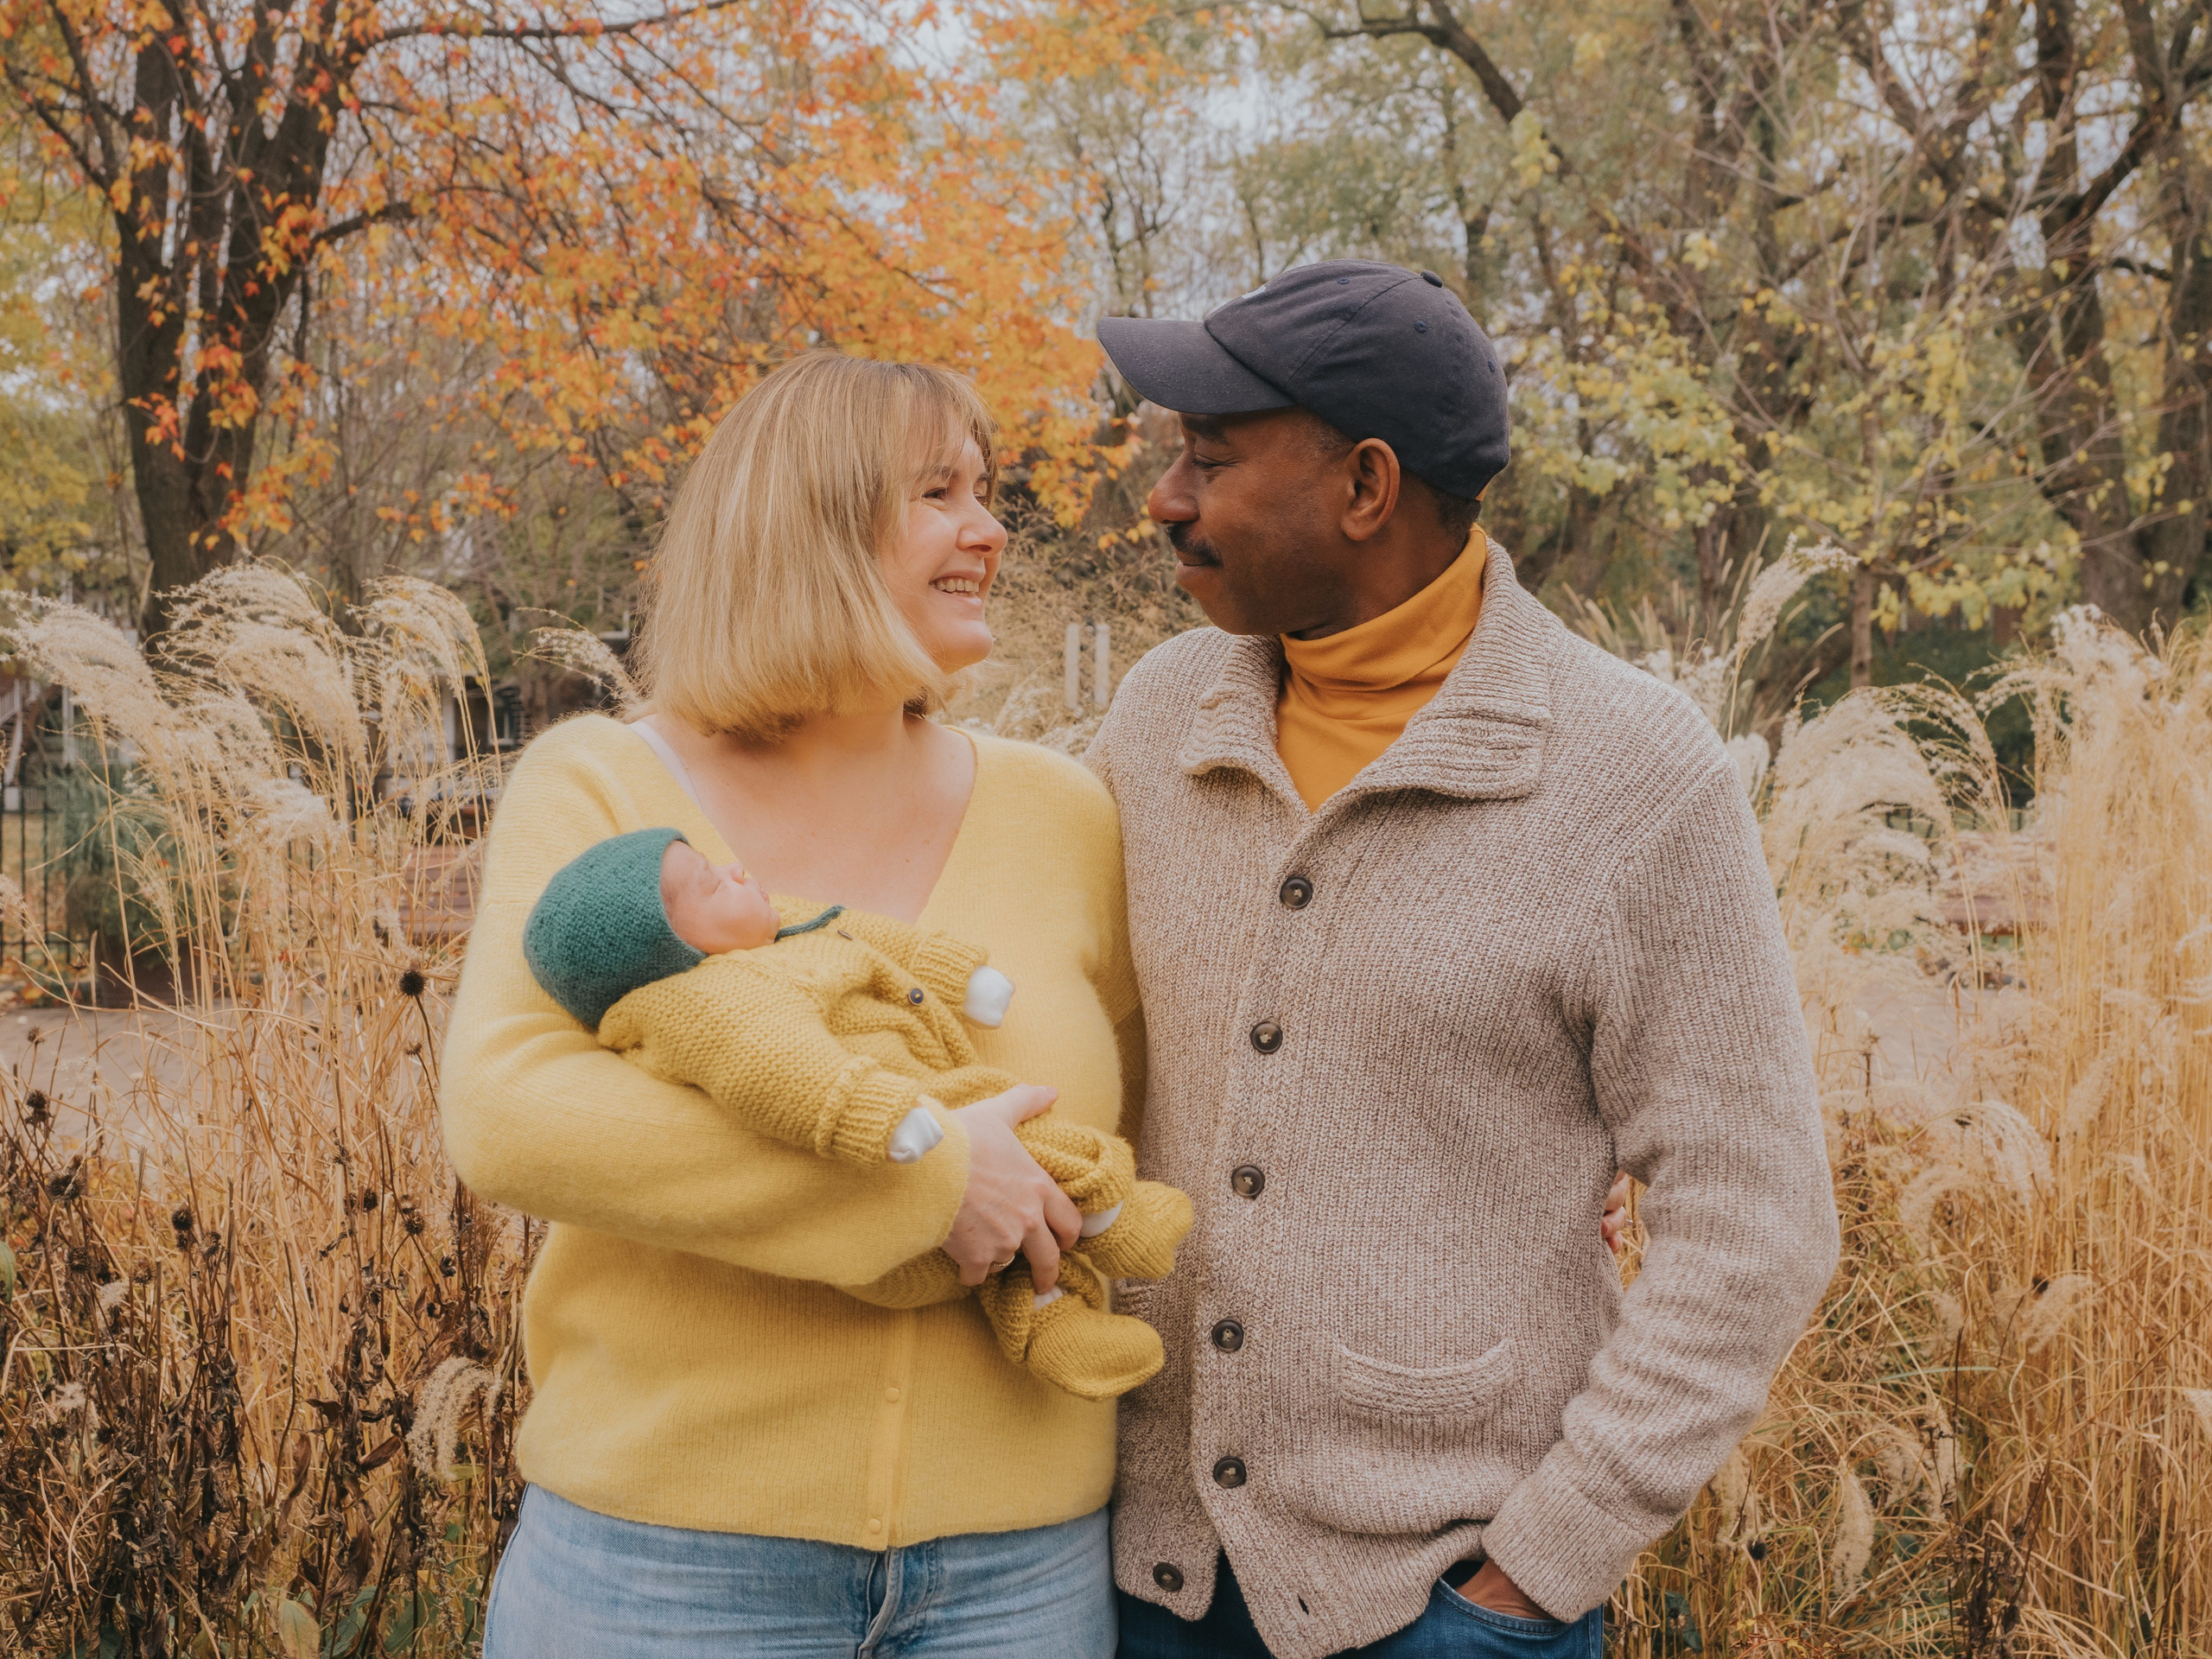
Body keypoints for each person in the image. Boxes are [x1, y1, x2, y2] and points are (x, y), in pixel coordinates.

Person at [1090, 262, 1840, 1659]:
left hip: (1441, 1608)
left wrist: (1536, 1576)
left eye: (1211, 457)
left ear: (1367, 488)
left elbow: (1760, 1220)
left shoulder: (1631, 775)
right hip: (1146, 1590)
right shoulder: (1155, 717)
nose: (1165, 500)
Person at [440, 352, 1142, 1657]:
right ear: (806, 523)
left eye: (985, 491)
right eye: (939, 493)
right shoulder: (600, 785)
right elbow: (512, 1109)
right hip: (665, 1575)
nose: (989, 530)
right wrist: (927, 1178)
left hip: (1023, 1581)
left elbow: (1138, 1130)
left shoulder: (1063, 810)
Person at [513, 823, 1191, 1400]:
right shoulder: (707, 1002)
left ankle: (1050, 1319)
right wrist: (878, 1112)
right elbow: (775, 1068)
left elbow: (857, 931)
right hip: (900, 1148)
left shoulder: (778, 931)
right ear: (675, 950)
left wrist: (959, 976)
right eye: (713, 884)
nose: (737, 870)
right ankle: (1111, 1216)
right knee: (1037, 1140)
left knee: (1015, 1199)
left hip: (923, 1114)